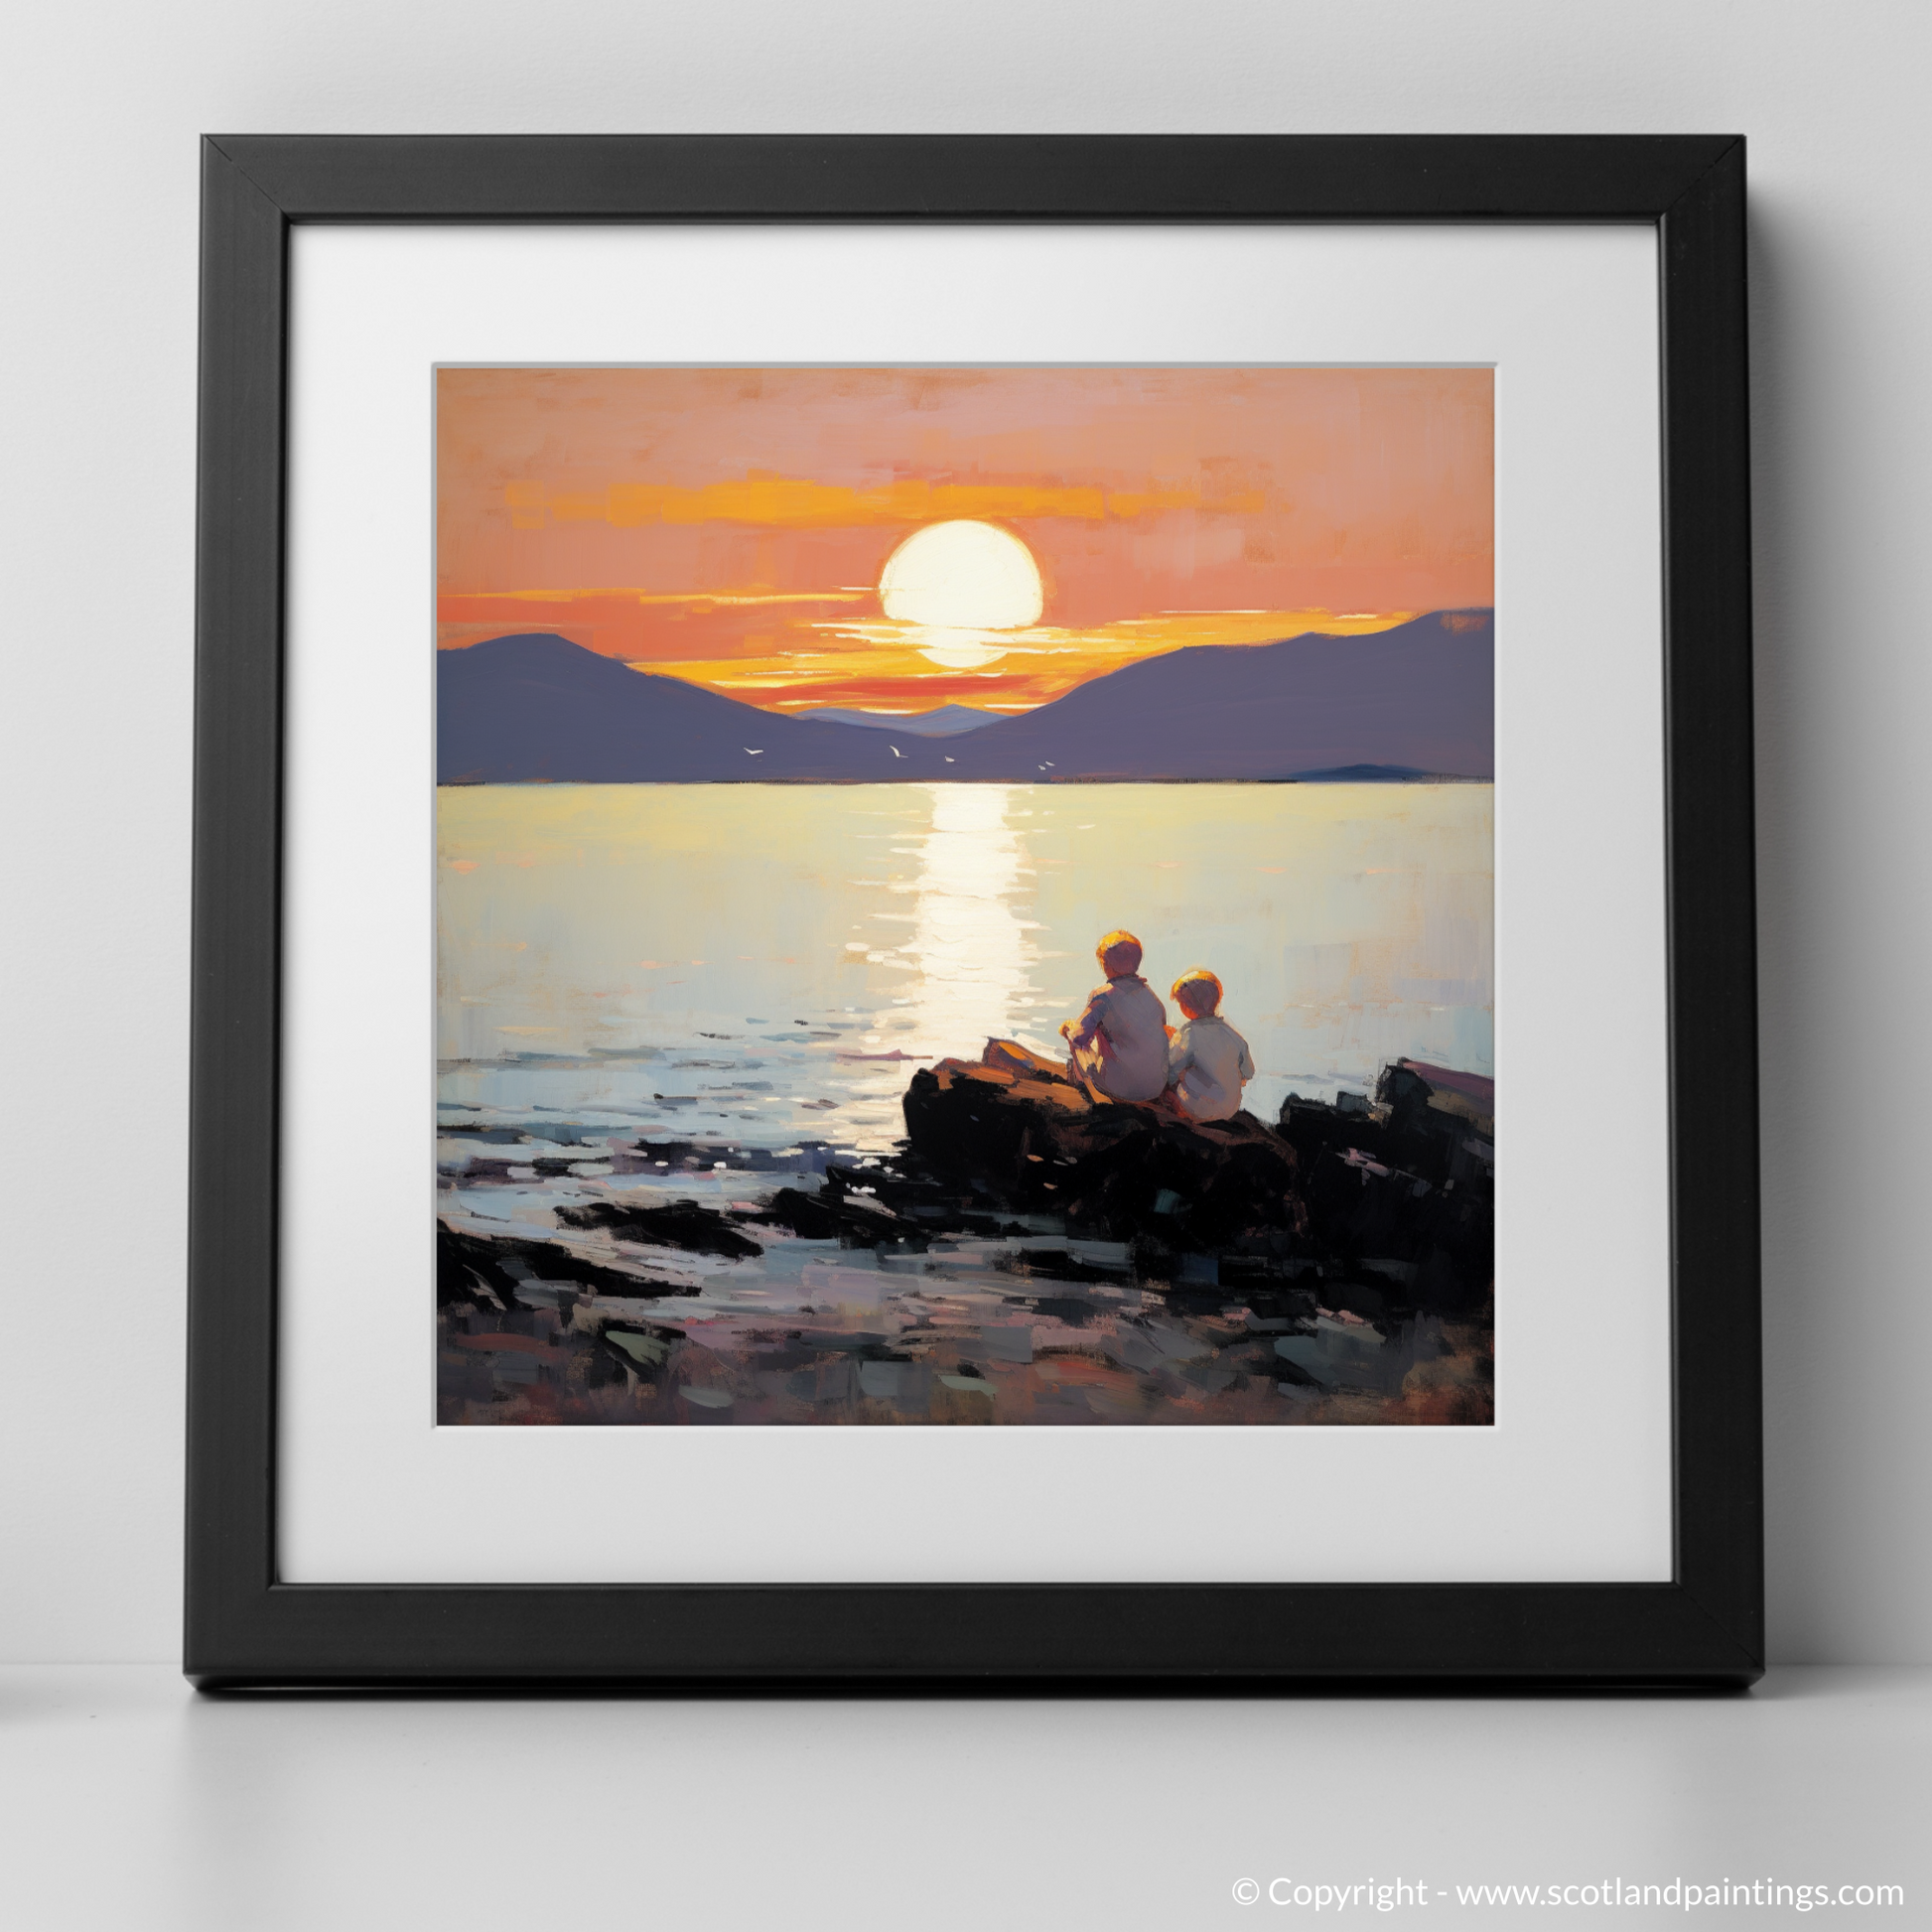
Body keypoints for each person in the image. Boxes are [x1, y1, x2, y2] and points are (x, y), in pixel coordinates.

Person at [1059, 930, 1170, 1102]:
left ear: (1106, 964)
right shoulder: (1152, 998)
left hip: (1120, 1087)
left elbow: (1078, 1037)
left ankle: (1080, 1083)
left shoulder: (1103, 995)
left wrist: (1067, 1030)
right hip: (1154, 1088)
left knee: (1072, 1032)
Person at [1165, 969, 1256, 1122]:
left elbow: (1169, 1071)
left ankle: (1181, 1112)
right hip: (1229, 1109)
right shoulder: (1232, 1035)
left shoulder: (1188, 1033)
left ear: (1186, 1006)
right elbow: (1249, 1072)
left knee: (1168, 1088)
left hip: (1198, 1108)